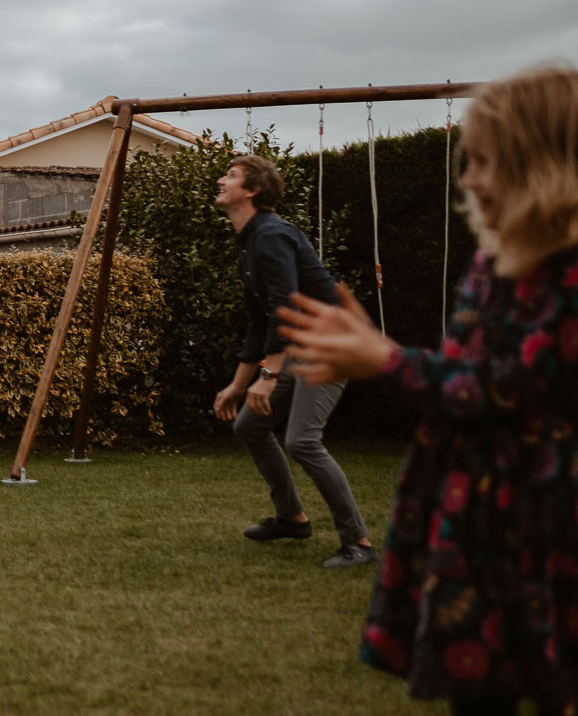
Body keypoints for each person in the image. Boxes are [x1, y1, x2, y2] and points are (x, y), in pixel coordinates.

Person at [280, 66, 578, 716]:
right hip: (473, 513)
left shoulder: (568, 276)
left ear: (546, 165)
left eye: (486, 162)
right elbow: (459, 376)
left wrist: (386, 361)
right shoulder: (493, 263)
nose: (467, 179)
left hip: (542, 520)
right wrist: (371, 354)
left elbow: (507, 387)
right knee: (478, 686)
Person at [211, 154, 377, 569]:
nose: (220, 180)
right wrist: (238, 384)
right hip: (300, 342)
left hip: (330, 342)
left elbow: (287, 308)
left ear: (252, 191)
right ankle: (292, 518)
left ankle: (359, 541)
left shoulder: (270, 235)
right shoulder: (250, 241)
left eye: (231, 176)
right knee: (250, 424)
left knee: (302, 440)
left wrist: (268, 376)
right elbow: (260, 321)